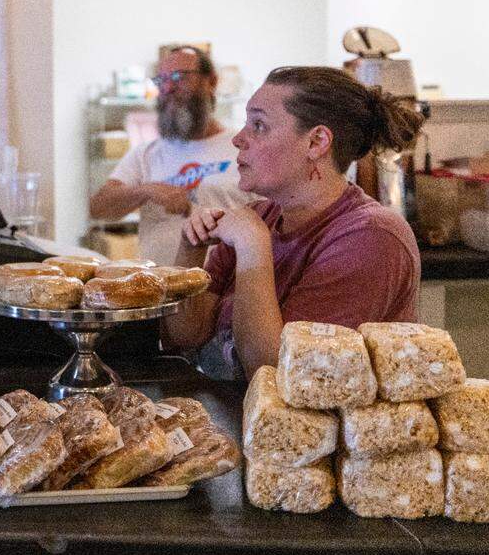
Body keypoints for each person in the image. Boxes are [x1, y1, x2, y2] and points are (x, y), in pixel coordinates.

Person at [163, 66, 424, 383]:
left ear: (317, 142)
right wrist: (190, 250)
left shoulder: (372, 237)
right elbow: (185, 334)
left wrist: (252, 247)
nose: (238, 139)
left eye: (259, 125)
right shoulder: (259, 217)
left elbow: (275, 372)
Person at [89, 46, 258, 264]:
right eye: (161, 80)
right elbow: (99, 208)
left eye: (179, 77)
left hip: (229, 289)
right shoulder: (145, 153)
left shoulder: (244, 147)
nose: (168, 87)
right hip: (160, 289)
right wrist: (147, 190)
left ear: (211, 82)